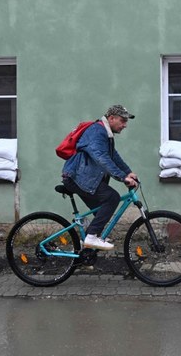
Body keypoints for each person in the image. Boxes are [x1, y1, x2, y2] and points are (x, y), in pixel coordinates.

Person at [62, 104, 138, 251]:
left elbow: (113, 155)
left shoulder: (106, 133)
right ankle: (91, 237)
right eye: (123, 121)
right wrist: (123, 177)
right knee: (112, 198)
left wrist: (128, 172)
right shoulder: (97, 131)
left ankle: (85, 252)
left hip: (82, 177)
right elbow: (101, 158)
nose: (125, 125)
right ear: (111, 118)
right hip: (77, 177)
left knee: (100, 212)